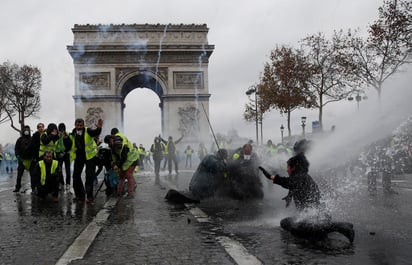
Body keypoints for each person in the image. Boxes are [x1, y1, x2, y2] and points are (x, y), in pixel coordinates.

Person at [258, 153, 355, 243]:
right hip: (314, 216)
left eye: (288, 167)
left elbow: (290, 183)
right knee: (286, 223)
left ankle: (340, 227)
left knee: (299, 229)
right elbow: (294, 185)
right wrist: (289, 196)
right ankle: (333, 226)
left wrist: (272, 177)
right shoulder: (301, 176)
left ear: (294, 167)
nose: (287, 169)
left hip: (316, 217)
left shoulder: (300, 177)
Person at [71, 118, 103, 203]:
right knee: (75, 176)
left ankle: (89, 196)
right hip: (79, 157)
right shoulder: (73, 132)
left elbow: (95, 132)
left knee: (89, 176)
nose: (79, 127)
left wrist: (99, 128)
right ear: (75, 125)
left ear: (83, 125)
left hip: (90, 157)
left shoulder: (88, 130)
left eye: (81, 125)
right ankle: (79, 195)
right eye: (77, 125)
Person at [13, 125, 36, 192]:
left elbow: (35, 149)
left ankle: (33, 188)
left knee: (33, 175)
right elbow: (16, 148)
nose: (26, 131)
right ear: (23, 131)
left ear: (29, 131)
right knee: (19, 175)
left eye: (28, 130)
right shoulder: (19, 140)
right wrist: (17, 155)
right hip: (22, 160)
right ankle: (17, 187)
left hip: (31, 160)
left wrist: (34, 157)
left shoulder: (32, 139)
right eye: (25, 130)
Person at [55, 123, 72, 191]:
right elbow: (55, 144)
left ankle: (68, 183)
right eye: (60, 129)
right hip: (59, 154)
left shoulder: (67, 134)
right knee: (59, 170)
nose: (62, 130)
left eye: (63, 129)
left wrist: (67, 138)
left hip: (66, 154)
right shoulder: (57, 135)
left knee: (68, 170)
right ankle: (61, 183)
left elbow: (70, 145)